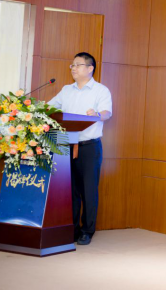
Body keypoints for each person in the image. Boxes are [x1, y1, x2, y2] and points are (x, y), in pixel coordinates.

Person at [48, 52, 112, 246]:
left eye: (78, 65)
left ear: (90, 68)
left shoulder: (101, 90)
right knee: (70, 191)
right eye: (72, 65)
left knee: (88, 190)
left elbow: (107, 113)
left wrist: (97, 114)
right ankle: (72, 229)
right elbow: (49, 108)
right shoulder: (66, 90)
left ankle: (87, 230)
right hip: (65, 145)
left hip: (89, 147)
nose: (73, 68)